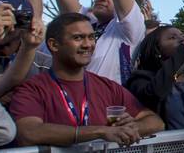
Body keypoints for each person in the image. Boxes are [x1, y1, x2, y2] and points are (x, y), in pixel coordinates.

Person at [9, 12, 163, 146]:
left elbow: (155, 121)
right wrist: (100, 131)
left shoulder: (107, 86)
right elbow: (28, 133)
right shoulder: (31, 89)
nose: (88, 44)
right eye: (78, 38)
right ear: (54, 45)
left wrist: (132, 127)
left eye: (91, 37)